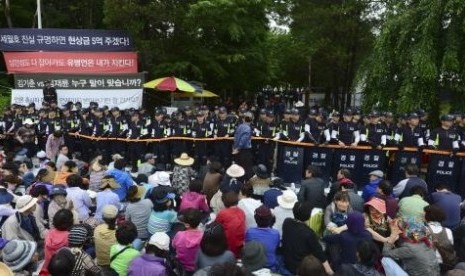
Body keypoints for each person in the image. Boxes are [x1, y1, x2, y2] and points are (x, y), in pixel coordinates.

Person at [281, 201, 334, 275]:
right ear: (309, 215)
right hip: (302, 268)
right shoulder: (309, 233)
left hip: (287, 262)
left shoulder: (287, 222)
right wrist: (330, 272)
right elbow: (320, 254)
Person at [245, 205, 280, 271]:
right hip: (270, 265)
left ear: (255, 219)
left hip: (254, 264)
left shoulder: (249, 232)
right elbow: (276, 247)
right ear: (270, 219)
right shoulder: (275, 233)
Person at [424, 204, 458, 271]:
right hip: (447, 264)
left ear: (428, 216)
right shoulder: (448, 231)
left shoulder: (424, 230)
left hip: (430, 265)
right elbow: (451, 246)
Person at [41, 209, 74, 275]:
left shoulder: (49, 233)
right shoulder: (69, 236)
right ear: (70, 222)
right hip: (62, 269)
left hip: (47, 268)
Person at [172, 208, 204, 273]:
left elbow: (173, 246)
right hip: (197, 267)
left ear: (187, 224)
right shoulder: (203, 236)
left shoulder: (179, 235)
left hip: (181, 265)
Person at [215, 191, 246, 258]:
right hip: (240, 245)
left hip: (228, 245)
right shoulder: (241, 212)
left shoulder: (223, 213)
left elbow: (216, 225)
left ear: (224, 202)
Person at [94, 205, 118, 269]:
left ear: (103, 217)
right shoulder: (118, 232)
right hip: (112, 263)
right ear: (116, 217)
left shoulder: (97, 229)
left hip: (100, 262)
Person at [233, 112, 254, 179]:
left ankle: (239, 182)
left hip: (238, 150)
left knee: (239, 168)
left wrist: (235, 148)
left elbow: (236, 138)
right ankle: (246, 185)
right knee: (246, 169)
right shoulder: (248, 128)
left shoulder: (239, 126)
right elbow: (243, 139)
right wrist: (238, 148)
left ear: (243, 119)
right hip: (244, 151)